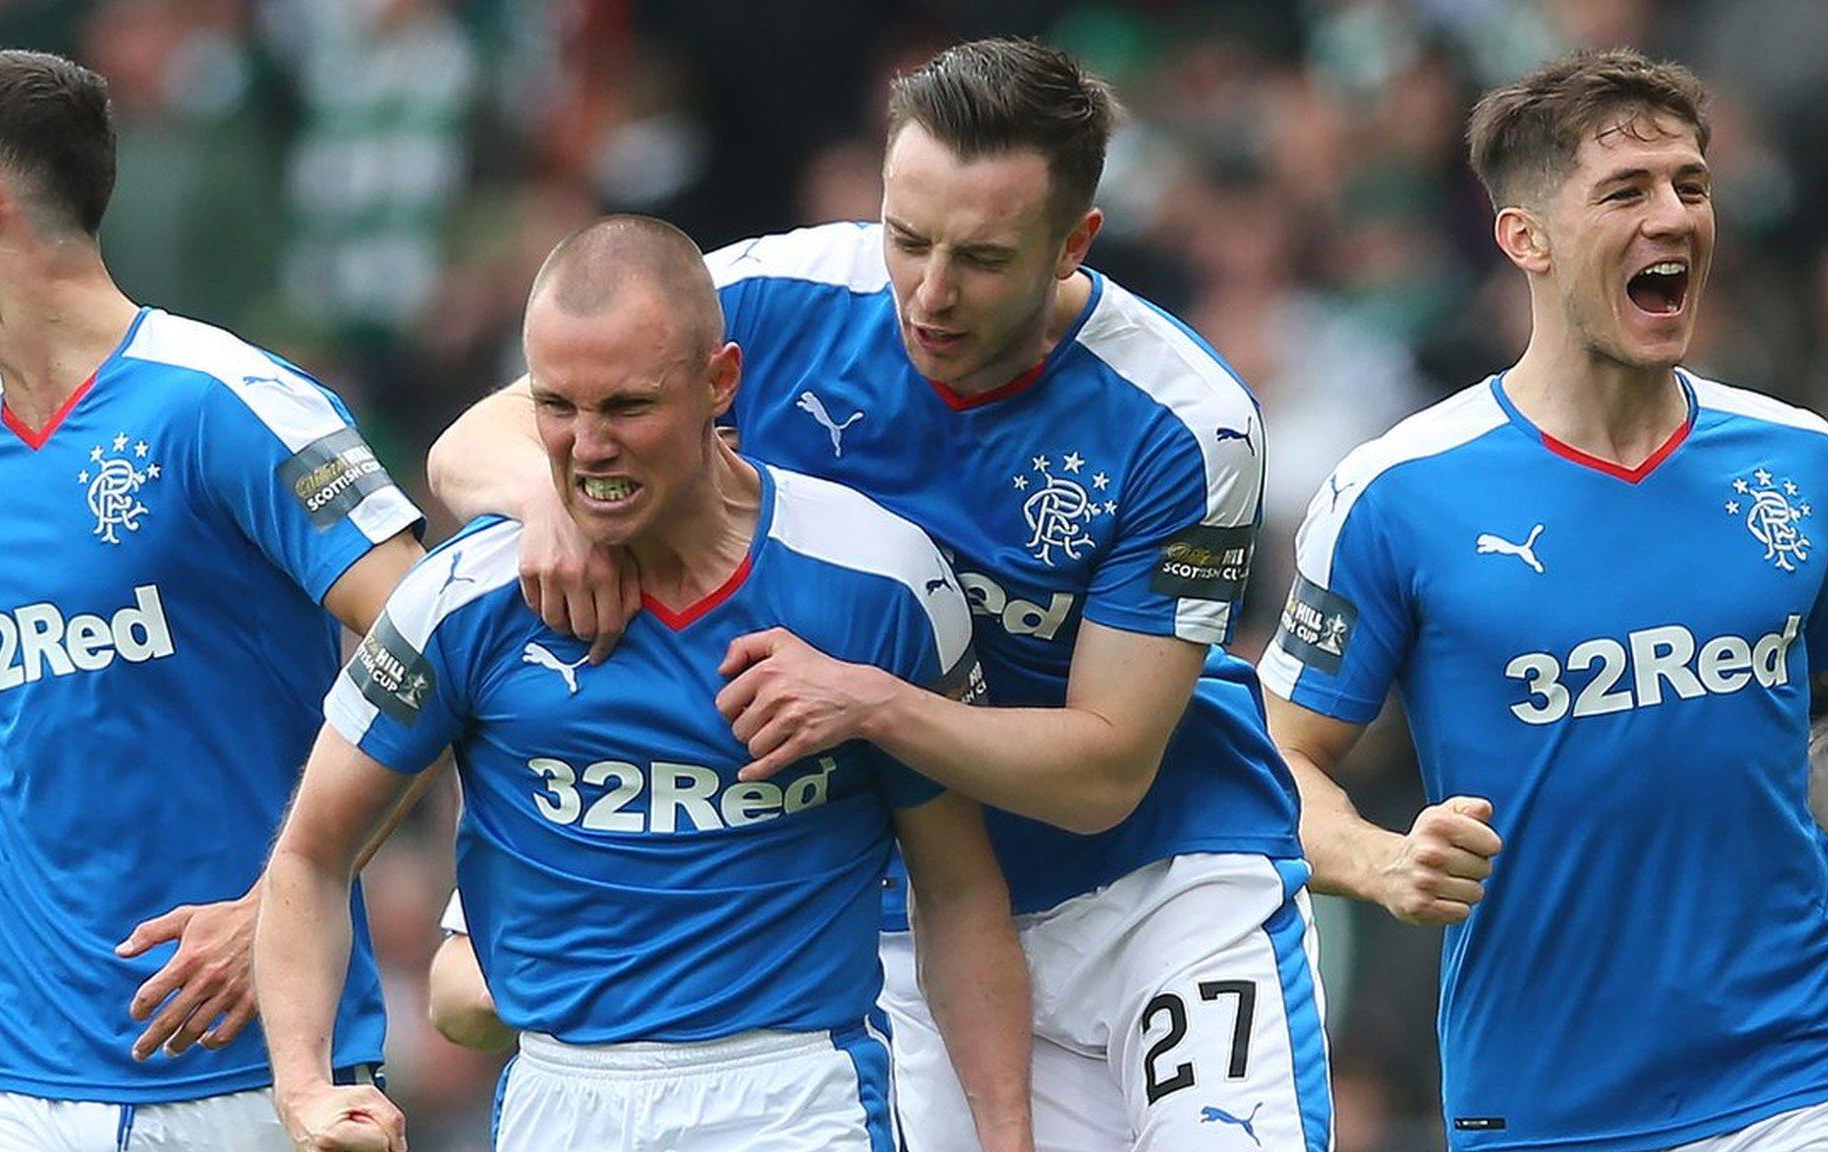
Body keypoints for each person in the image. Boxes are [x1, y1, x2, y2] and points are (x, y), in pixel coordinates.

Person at [426, 39, 1329, 1152]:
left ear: (1071, 244)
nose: (930, 293)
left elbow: (1102, 773)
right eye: (906, 239)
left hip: (1155, 882)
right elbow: (481, 435)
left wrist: (870, 704)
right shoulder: (777, 296)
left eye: (984, 259)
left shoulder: (1185, 422)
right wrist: (557, 506)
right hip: (914, 903)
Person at [256, 215, 1029, 1152]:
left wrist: (1005, 1134)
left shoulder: (879, 579)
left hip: (796, 1096)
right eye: (556, 407)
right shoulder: (466, 598)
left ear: (720, 382)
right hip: (558, 1094)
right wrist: (305, 1089)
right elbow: (308, 858)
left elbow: (956, 892)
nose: (586, 448)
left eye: (625, 407)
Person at [0, 48, 424, 1150]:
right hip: (8, 1079)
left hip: (246, 1070)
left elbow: (427, 627)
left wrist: (284, 892)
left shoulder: (224, 403)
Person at [1261, 48, 1828, 1152]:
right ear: (1522, 237)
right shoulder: (1396, 494)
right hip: (1538, 1101)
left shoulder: (1801, 462)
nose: (1671, 215)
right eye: (1624, 191)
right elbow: (1274, 760)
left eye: (1688, 185)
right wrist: (1382, 861)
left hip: (1790, 1074)